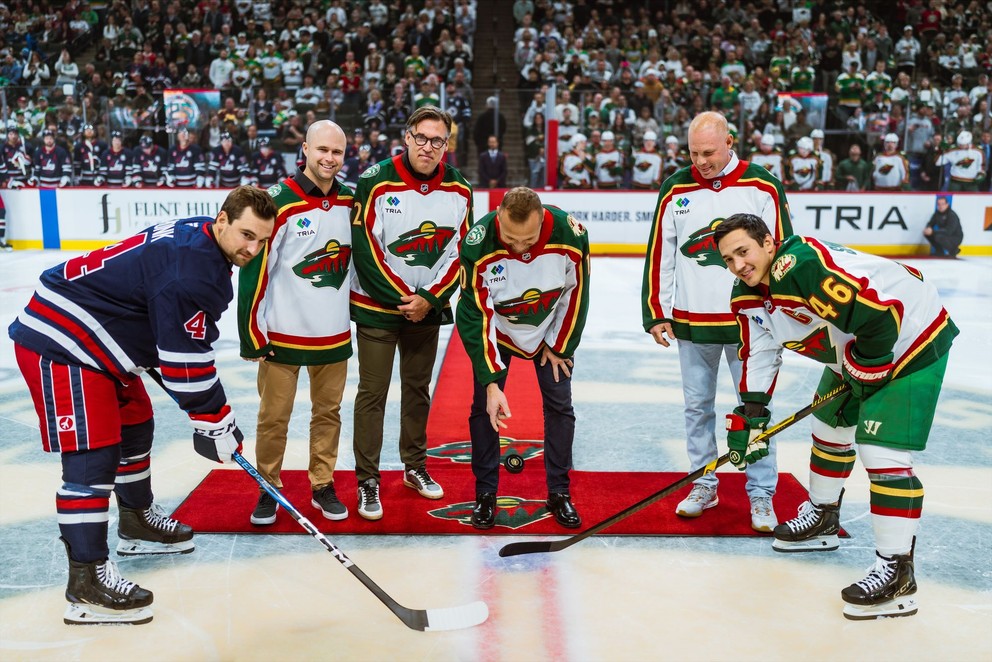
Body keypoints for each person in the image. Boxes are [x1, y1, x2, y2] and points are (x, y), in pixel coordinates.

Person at [8, 186, 277, 625]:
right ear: (223, 220)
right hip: (64, 342)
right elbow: (184, 364)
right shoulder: (191, 273)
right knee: (92, 457)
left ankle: (136, 521)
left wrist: (210, 417)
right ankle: (86, 581)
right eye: (247, 234)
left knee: (136, 423)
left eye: (261, 240)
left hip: (97, 336)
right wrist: (216, 422)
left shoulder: (201, 239)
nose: (252, 248)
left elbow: (171, 336)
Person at [714, 213, 957, 620]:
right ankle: (823, 518)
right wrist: (752, 414)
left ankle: (898, 572)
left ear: (769, 244)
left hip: (911, 336)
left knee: (882, 454)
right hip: (858, 346)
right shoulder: (747, 294)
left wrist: (870, 367)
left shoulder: (801, 266)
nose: (739, 265)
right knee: (828, 425)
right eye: (729, 259)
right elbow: (760, 351)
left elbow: (882, 318)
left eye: (744, 251)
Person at [641, 111, 793, 532]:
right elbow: (661, 252)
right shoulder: (676, 187)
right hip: (692, 322)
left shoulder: (762, 184)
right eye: (693, 152)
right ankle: (703, 482)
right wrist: (656, 310)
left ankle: (761, 492)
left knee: (756, 410)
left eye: (708, 152)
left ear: (730, 142)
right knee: (696, 408)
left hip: (753, 324)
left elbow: (781, 251)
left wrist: (781, 312)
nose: (701, 161)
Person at [350, 106, 473, 520]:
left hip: (427, 311)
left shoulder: (460, 189)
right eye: (421, 137)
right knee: (373, 394)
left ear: (446, 145)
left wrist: (431, 299)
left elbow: (462, 252)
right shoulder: (375, 181)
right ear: (406, 137)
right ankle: (367, 480)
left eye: (437, 140)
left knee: (418, 391)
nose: (428, 147)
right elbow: (366, 248)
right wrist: (406, 299)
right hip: (378, 309)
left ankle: (414, 467)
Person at [237, 120, 354, 526]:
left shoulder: (351, 202)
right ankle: (269, 487)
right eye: (322, 150)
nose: (329, 159)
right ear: (304, 149)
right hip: (282, 336)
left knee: (329, 414)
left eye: (337, 152)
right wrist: (252, 334)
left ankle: (322, 484)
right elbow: (255, 270)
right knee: (274, 418)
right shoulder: (278, 201)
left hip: (334, 335)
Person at [456, 186, 589, 529]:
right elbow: (474, 313)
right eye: (511, 240)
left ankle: (559, 492)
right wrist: (489, 379)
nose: (518, 249)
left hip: (550, 333)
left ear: (542, 221)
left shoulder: (570, 235)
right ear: (498, 216)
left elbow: (577, 294)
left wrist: (559, 346)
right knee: (483, 408)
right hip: (499, 332)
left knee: (560, 406)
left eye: (528, 241)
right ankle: (485, 493)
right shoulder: (478, 242)